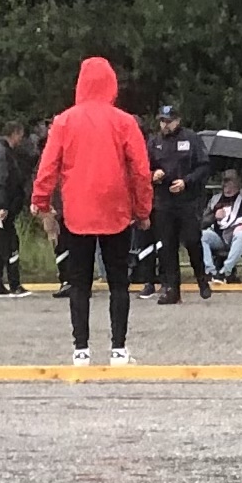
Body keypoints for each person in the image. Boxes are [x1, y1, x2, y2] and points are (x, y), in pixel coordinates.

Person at [30, 56, 154, 367]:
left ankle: (81, 350)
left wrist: (42, 202)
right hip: (116, 210)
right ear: (112, 85)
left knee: (79, 281)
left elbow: (48, 166)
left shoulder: (63, 121)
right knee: (118, 283)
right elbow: (140, 170)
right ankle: (118, 349)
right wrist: (143, 209)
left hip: (77, 211)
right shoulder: (124, 122)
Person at [147, 101, 217, 302]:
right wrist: (154, 174)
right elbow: (143, 168)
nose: (165, 125)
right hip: (164, 200)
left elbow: (204, 167)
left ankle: (201, 279)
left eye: (169, 121)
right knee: (167, 246)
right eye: (162, 121)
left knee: (192, 240)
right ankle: (172, 289)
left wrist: (187, 182)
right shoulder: (154, 142)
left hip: (187, 200)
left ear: (177, 121)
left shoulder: (191, 139)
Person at [0, 118, 30, 295]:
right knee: (9, 243)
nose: (21, 140)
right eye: (20, 135)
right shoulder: (2, 153)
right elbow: (0, 180)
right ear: (15, 133)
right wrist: (2, 206)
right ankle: (13, 283)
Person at [201, 170, 242, 284]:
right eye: (224, 181)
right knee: (203, 236)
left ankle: (225, 272)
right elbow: (203, 222)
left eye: (229, 181)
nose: (225, 184)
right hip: (219, 236)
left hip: (238, 235)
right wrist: (215, 216)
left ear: (237, 182)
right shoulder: (216, 199)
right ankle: (210, 272)